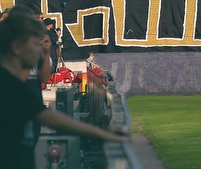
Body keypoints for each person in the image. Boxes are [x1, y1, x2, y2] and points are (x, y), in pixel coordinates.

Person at [1, 15, 127, 168]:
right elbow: (51, 119)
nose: (39, 48)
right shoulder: (7, 85)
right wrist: (101, 134)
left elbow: (48, 116)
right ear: (17, 47)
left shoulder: (16, 85)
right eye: (34, 44)